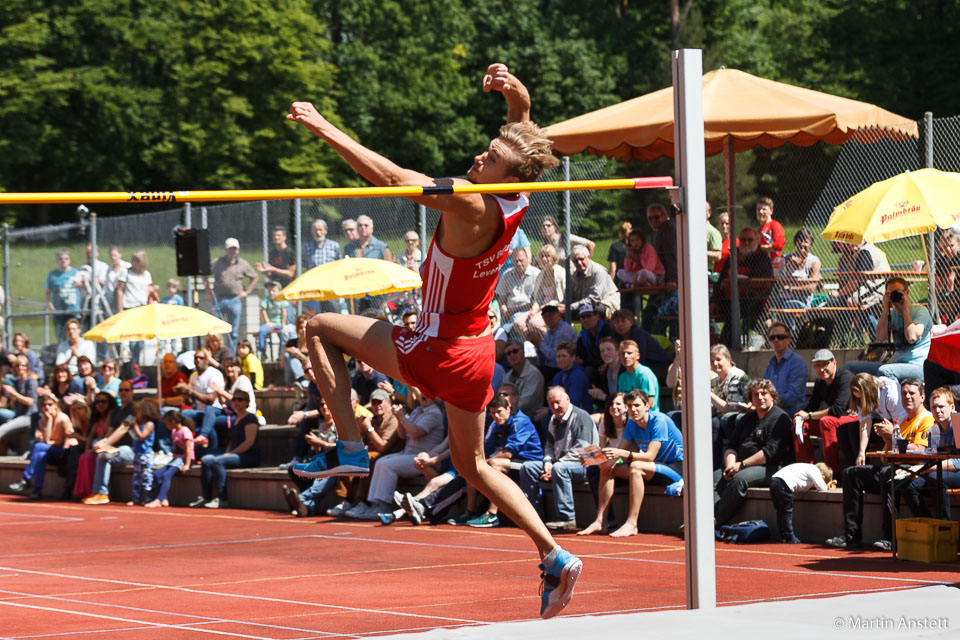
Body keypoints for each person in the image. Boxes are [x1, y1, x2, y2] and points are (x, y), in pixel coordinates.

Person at [287, 63, 581, 618]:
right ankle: (555, 554)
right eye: (486, 150)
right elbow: (520, 143)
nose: (479, 157)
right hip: (476, 353)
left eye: (489, 159)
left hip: (436, 348)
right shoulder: (516, 199)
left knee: (318, 327)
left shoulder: (470, 202)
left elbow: (393, 178)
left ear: (502, 175)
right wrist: (518, 99)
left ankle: (351, 449)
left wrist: (324, 128)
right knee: (473, 467)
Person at [827, 378, 933, 550]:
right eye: (904, 393)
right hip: (896, 468)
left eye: (911, 393)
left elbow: (920, 449)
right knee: (852, 473)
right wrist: (886, 438)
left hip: (916, 471)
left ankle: (890, 538)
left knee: (887, 474)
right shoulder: (904, 421)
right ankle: (851, 535)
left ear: (922, 397)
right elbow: (892, 453)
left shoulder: (927, 419)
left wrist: (893, 435)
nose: (907, 397)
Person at [579, 389, 683, 538]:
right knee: (609, 468)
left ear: (647, 406)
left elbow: (649, 456)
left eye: (637, 405)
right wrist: (594, 460)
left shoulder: (659, 421)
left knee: (635, 467)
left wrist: (621, 454)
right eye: (629, 406)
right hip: (655, 467)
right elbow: (619, 454)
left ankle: (632, 524)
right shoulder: (632, 424)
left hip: (677, 467)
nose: (633, 410)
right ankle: (601, 520)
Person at [346, 394, 444, 519]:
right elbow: (402, 435)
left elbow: (415, 432)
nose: (423, 396)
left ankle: (383, 505)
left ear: (434, 397)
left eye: (427, 394)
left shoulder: (434, 413)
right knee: (380, 461)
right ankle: (373, 504)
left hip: (423, 457)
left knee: (387, 465)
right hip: (408, 454)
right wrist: (399, 419)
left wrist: (402, 417)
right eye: (422, 393)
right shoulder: (417, 411)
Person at [713, 378, 793, 526]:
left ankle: (716, 521)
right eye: (756, 394)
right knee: (714, 478)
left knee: (739, 479)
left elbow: (769, 453)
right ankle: (705, 517)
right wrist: (730, 464)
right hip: (742, 464)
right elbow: (732, 445)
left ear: (772, 396)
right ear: (751, 399)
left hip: (772, 467)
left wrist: (741, 465)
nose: (760, 397)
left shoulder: (780, 418)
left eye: (764, 393)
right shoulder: (747, 419)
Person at [458, 393, 543, 528]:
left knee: (493, 464)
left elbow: (508, 453)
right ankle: (471, 512)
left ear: (508, 408)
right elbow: (485, 449)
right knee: (475, 466)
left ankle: (492, 514)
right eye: (492, 413)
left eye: (499, 412)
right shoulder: (497, 424)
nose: (496, 416)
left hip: (529, 463)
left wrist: (486, 461)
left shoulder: (520, 421)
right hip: (510, 463)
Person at [519, 386, 597, 531]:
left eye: (558, 402)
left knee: (559, 469)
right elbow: (548, 446)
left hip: (586, 464)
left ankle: (567, 518)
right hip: (559, 463)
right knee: (527, 467)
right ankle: (534, 515)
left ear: (567, 399)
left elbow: (583, 449)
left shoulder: (581, 417)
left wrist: (555, 465)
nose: (555, 407)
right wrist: (548, 463)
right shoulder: (553, 419)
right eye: (551, 403)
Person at [844, 277, 932, 382]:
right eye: (890, 293)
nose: (895, 296)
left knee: (885, 371)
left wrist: (905, 310)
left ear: (907, 292)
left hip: (919, 366)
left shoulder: (920, 311)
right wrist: (885, 309)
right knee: (849, 367)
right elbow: (880, 337)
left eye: (898, 293)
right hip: (898, 364)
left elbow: (912, 337)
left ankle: (896, 398)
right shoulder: (892, 313)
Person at [190, 390, 260, 509]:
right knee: (206, 459)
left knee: (219, 461)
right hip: (233, 453)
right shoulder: (234, 420)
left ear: (247, 402)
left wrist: (229, 454)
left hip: (248, 456)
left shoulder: (250, 418)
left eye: (240, 399)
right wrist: (228, 452)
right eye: (234, 399)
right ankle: (206, 497)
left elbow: (249, 442)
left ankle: (222, 499)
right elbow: (231, 443)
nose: (236, 402)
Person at [792, 349, 857, 472]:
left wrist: (809, 415)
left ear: (834, 362)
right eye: (817, 366)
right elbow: (812, 405)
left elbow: (837, 410)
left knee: (826, 421)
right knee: (800, 424)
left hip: (853, 419)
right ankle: (805, 471)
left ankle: (831, 472)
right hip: (836, 420)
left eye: (825, 364)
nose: (821, 369)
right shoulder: (820, 382)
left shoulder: (845, 378)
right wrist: (800, 416)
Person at [905, 387, 959, 520]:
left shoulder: (958, 424)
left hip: (954, 470)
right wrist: (916, 472)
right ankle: (927, 523)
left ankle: (944, 526)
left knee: (936, 477)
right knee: (907, 482)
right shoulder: (933, 429)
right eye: (934, 407)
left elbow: (958, 462)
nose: (937, 411)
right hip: (940, 470)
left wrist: (924, 469)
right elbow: (928, 458)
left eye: (941, 406)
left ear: (952, 407)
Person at [713, 227, 774, 344]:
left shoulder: (762, 258)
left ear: (757, 241)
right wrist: (714, 300)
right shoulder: (733, 256)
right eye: (743, 240)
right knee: (708, 307)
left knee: (736, 308)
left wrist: (739, 278)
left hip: (754, 301)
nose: (746, 243)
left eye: (750, 240)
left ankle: (725, 343)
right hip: (727, 300)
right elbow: (720, 280)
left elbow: (763, 280)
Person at [8, 396, 76, 499]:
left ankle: (26, 479)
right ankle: (37, 489)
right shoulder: (42, 420)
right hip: (51, 452)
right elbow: (47, 441)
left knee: (39, 446)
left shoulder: (63, 418)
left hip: (64, 453)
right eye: (44, 405)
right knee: (40, 455)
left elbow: (61, 443)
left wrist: (47, 442)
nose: (47, 407)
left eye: (50, 404)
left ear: (56, 405)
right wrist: (49, 421)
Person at [81, 382, 137, 505]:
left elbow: (124, 428)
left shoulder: (135, 408)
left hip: (132, 450)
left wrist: (106, 442)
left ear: (132, 392)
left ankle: (102, 492)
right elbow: (110, 430)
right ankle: (98, 493)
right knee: (102, 453)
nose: (123, 392)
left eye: (126, 390)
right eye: (121, 390)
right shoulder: (116, 411)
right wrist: (103, 442)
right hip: (116, 448)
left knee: (106, 454)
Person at [842, 373, 905, 468]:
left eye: (862, 398)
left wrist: (888, 442)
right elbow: (865, 423)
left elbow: (900, 423)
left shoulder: (890, 394)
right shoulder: (859, 397)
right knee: (844, 430)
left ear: (869, 392)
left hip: (898, 425)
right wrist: (861, 452)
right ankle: (857, 466)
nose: (861, 400)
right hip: (881, 421)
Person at [211, 237, 259, 351]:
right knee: (216, 328)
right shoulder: (217, 262)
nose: (232, 251)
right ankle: (217, 353)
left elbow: (254, 276)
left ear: (238, 250)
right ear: (225, 249)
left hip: (235, 299)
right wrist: (207, 285)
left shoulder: (242, 263)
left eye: (235, 249)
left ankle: (231, 356)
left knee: (233, 331)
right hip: (219, 299)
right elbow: (204, 272)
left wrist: (246, 292)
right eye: (230, 249)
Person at [768, 462, 834, 543]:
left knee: (780, 511)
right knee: (786, 511)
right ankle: (790, 536)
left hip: (774, 480)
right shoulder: (814, 470)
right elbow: (822, 488)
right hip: (784, 484)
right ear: (822, 477)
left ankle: (783, 535)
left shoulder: (806, 468)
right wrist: (827, 486)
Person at [513, 244, 565, 344]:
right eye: (542, 256)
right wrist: (534, 309)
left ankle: (554, 343)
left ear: (553, 257)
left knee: (534, 323)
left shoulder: (560, 272)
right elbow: (538, 297)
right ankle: (539, 344)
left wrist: (544, 306)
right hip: (540, 307)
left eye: (547, 256)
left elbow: (562, 297)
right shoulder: (541, 274)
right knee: (518, 323)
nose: (544, 259)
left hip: (553, 308)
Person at [176, 348, 226, 451]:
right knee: (183, 413)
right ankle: (186, 446)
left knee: (209, 414)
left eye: (201, 358)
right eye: (195, 358)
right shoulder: (193, 376)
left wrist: (190, 391)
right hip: (200, 411)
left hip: (216, 410)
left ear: (207, 360)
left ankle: (207, 441)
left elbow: (210, 400)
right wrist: (184, 392)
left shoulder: (214, 374)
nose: (197, 360)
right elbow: (190, 402)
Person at [145, 410, 195, 508]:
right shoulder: (174, 431)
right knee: (157, 474)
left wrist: (187, 465)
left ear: (172, 421)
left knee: (167, 475)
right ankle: (164, 498)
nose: (166, 425)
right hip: (176, 459)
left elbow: (188, 449)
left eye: (166, 423)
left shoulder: (185, 431)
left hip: (185, 459)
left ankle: (158, 500)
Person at [761, 322, 807, 419]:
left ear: (789, 340)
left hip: (789, 415)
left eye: (780, 337)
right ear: (769, 342)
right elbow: (763, 390)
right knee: (734, 419)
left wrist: (769, 403)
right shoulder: (770, 366)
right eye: (772, 338)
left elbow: (793, 396)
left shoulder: (797, 362)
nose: (776, 340)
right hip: (769, 411)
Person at [115, 249, 152, 364]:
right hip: (129, 306)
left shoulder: (146, 274)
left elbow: (148, 290)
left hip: (142, 307)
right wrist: (120, 308)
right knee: (131, 338)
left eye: (137, 260)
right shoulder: (126, 272)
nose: (134, 262)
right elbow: (120, 290)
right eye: (133, 259)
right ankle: (131, 362)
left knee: (140, 339)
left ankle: (137, 362)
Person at [495, 246, 539, 335]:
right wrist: (505, 312)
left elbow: (538, 300)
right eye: (516, 261)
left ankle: (506, 335)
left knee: (508, 327)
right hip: (508, 313)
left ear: (527, 259)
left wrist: (513, 311)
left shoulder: (536, 274)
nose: (519, 264)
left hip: (527, 311)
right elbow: (501, 299)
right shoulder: (507, 274)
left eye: (521, 260)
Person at [0, 355, 39, 456]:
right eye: (17, 366)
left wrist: (14, 394)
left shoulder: (31, 381)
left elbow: (30, 402)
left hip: (29, 416)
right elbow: (13, 406)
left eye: (23, 365)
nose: (20, 368)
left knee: (3, 429)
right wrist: (12, 398)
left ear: (27, 366)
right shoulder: (17, 382)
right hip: (18, 415)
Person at [302, 219, 343, 314]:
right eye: (315, 230)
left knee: (334, 314)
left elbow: (339, 265)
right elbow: (304, 266)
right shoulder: (306, 247)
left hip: (330, 287)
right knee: (316, 315)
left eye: (320, 229)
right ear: (312, 231)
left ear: (326, 231)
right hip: (314, 288)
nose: (318, 232)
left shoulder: (334, 245)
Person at [568, 244, 620, 319]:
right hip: (587, 304)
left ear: (588, 257)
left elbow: (595, 298)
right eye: (575, 261)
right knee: (560, 313)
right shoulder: (573, 275)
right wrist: (563, 306)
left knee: (592, 311)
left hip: (606, 303)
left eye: (581, 259)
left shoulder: (599, 271)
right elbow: (569, 296)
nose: (579, 263)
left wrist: (573, 306)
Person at [45, 249, 82, 342]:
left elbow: (83, 288)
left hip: (74, 309)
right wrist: (49, 304)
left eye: (66, 258)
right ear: (57, 261)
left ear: (69, 260)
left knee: (75, 335)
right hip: (59, 310)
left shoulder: (76, 272)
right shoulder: (52, 275)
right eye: (61, 259)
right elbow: (47, 290)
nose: (63, 261)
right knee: (61, 336)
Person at [503, 339, 545, 420]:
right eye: (508, 353)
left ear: (523, 352)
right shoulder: (507, 376)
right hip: (508, 415)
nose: (512, 355)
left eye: (515, 351)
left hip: (529, 419)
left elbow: (526, 403)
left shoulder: (534, 374)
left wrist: (505, 409)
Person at [125, 400, 157, 506]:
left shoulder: (149, 424)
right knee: (137, 478)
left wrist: (135, 427)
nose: (136, 415)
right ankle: (136, 499)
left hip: (146, 455)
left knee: (146, 477)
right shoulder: (141, 425)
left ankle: (148, 498)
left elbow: (142, 437)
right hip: (138, 454)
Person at [535, 305, 577, 383]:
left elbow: (556, 357)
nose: (548, 319)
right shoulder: (549, 332)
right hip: (550, 367)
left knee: (535, 375)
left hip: (563, 367)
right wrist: (538, 347)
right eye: (545, 317)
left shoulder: (564, 330)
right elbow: (543, 359)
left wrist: (539, 343)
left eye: (550, 316)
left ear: (558, 315)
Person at [575, 303, 614, 383]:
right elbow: (581, 357)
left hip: (608, 363)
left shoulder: (607, 330)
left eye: (589, 316)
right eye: (582, 317)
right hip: (593, 365)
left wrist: (585, 362)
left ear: (597, 316)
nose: (586, 320)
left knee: (589, 372)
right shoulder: (583, 335)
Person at [616, 339, 659, 412]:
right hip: (629, 416)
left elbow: (649, 403)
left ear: (638, 356)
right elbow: (621, 401)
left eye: (629, 353)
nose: (626, 356)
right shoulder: (622, 377)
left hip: (647, 418)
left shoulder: (644, 374)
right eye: (623, 353)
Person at [258, 281, 296, 356]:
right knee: (262, 331)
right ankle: (263, 351)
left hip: (279, 324)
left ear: (279, 291)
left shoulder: (281, 300)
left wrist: (283, 324)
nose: (271, 293)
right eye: (269, 291)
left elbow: (284, 313)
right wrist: (267, 322)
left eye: (273, 291)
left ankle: (281, 353)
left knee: (285, 333)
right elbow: (263, 311)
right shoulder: (266, 300)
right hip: (269, 324)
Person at [552, 342, 592, 413]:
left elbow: (574, 402)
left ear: (573, 358)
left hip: (580, 414)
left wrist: (548, 411)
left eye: (564, 356)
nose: (561, 359)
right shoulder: (557, 376)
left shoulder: (578, 375)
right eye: (558, 356)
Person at [754, 196, 785, 265]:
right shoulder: (758, 231)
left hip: (774, 266)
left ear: (771, 211)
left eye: (764, 209)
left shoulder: (775, 225)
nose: (761, 212)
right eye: (759, 209)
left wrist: (759, 248)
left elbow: (779, 245)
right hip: (761, 265)